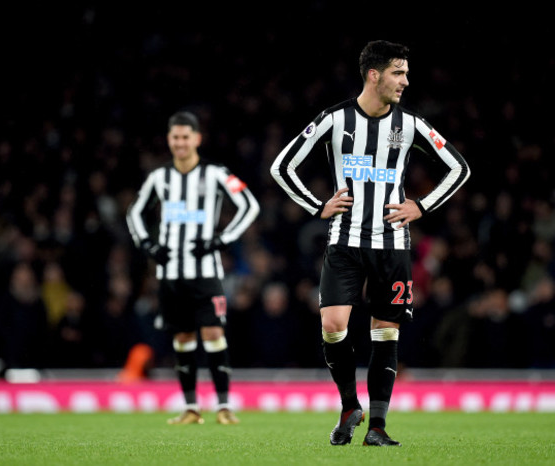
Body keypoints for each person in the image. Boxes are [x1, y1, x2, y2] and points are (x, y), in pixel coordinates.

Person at [270, 40, 470, 446]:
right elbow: (282, 166)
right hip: (344, 241)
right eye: (399, 72)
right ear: (373, 74)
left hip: (392, 243)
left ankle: (377, 426)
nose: (406, 81)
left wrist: (422, 206)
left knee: (386, 334)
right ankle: (349, 405)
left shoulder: (411, 124)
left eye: (407, 73)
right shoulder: (335, 119)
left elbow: (459, 168)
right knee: (332, 324)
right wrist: (317, 205)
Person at [127, 110, 259, 424]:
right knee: (182, 339)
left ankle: (224, 406)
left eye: (186, 137)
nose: (180, 143)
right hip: (171, 274)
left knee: (214, 333)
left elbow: (249, 205)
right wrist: (147, 245)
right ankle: (191, 408)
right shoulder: (159, 178)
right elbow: (135, 213)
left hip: (207, 273)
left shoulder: (214, 173)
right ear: (169, 140)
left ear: (197, 139)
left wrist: (221, 240)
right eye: (175, 137)